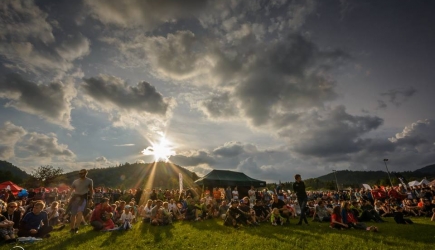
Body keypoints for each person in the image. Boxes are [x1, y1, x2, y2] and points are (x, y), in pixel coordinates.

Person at [69, 169, 94, 234]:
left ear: (85, 173)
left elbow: (91, 190)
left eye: (82, 173)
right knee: (73, 214)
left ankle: (76, 228)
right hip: (75, 197)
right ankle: (72, 228)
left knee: (80, 212)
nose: (80, 174)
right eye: (79, 173)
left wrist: (91, 199)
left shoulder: (89, 181)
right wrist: (67, 198)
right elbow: (71, 190)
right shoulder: (75, 181)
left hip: (83, 197)